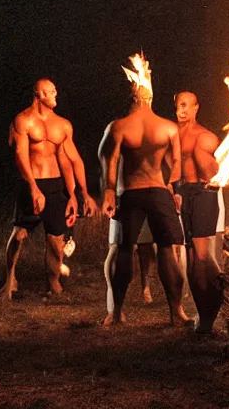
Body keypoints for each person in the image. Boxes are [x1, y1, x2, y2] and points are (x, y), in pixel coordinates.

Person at [101, 57, 191, 327]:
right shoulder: (167, 127)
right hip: (158, 191)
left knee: (126, 249)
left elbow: (110, 160)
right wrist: (173, 188)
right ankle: (176, 311)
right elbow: (176, 163)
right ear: (150, 98)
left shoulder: (118, 126)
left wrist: (108, 191)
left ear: (134, 96)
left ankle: (117, 312)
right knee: (166, 249)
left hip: (132, 192)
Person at [0, 79, 98, 300]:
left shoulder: (62, 124)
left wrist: (79, 194)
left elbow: (73, 161)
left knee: (56, 239)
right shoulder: (23, 121)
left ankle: (53, 284)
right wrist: (33, 187)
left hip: (54, 186)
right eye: (51, 91)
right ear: (40, 94)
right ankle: (10, 280)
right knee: (20, 234)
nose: (56, 94)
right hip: (32, 183)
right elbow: (21, 157)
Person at [174, 91, 223, 333]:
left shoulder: (207, 137)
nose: (181, 110)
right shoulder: (172, 134)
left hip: (204, 194)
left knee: (203, 256)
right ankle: (202, 316)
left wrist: (204, 159)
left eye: (185, 105)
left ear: (196, 108)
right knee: (191, 258)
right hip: (184, 194)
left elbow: (220, 172)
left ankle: (211, 315)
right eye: (177, 106)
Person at [98, 120, 156, 321]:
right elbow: (106, 163)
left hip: (146, 197)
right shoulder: (116, 132)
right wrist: (108, 193)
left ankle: (145, 284)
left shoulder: (152, 133)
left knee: (146, 247)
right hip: (123, 197)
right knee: (117, 250)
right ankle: (114, 308)